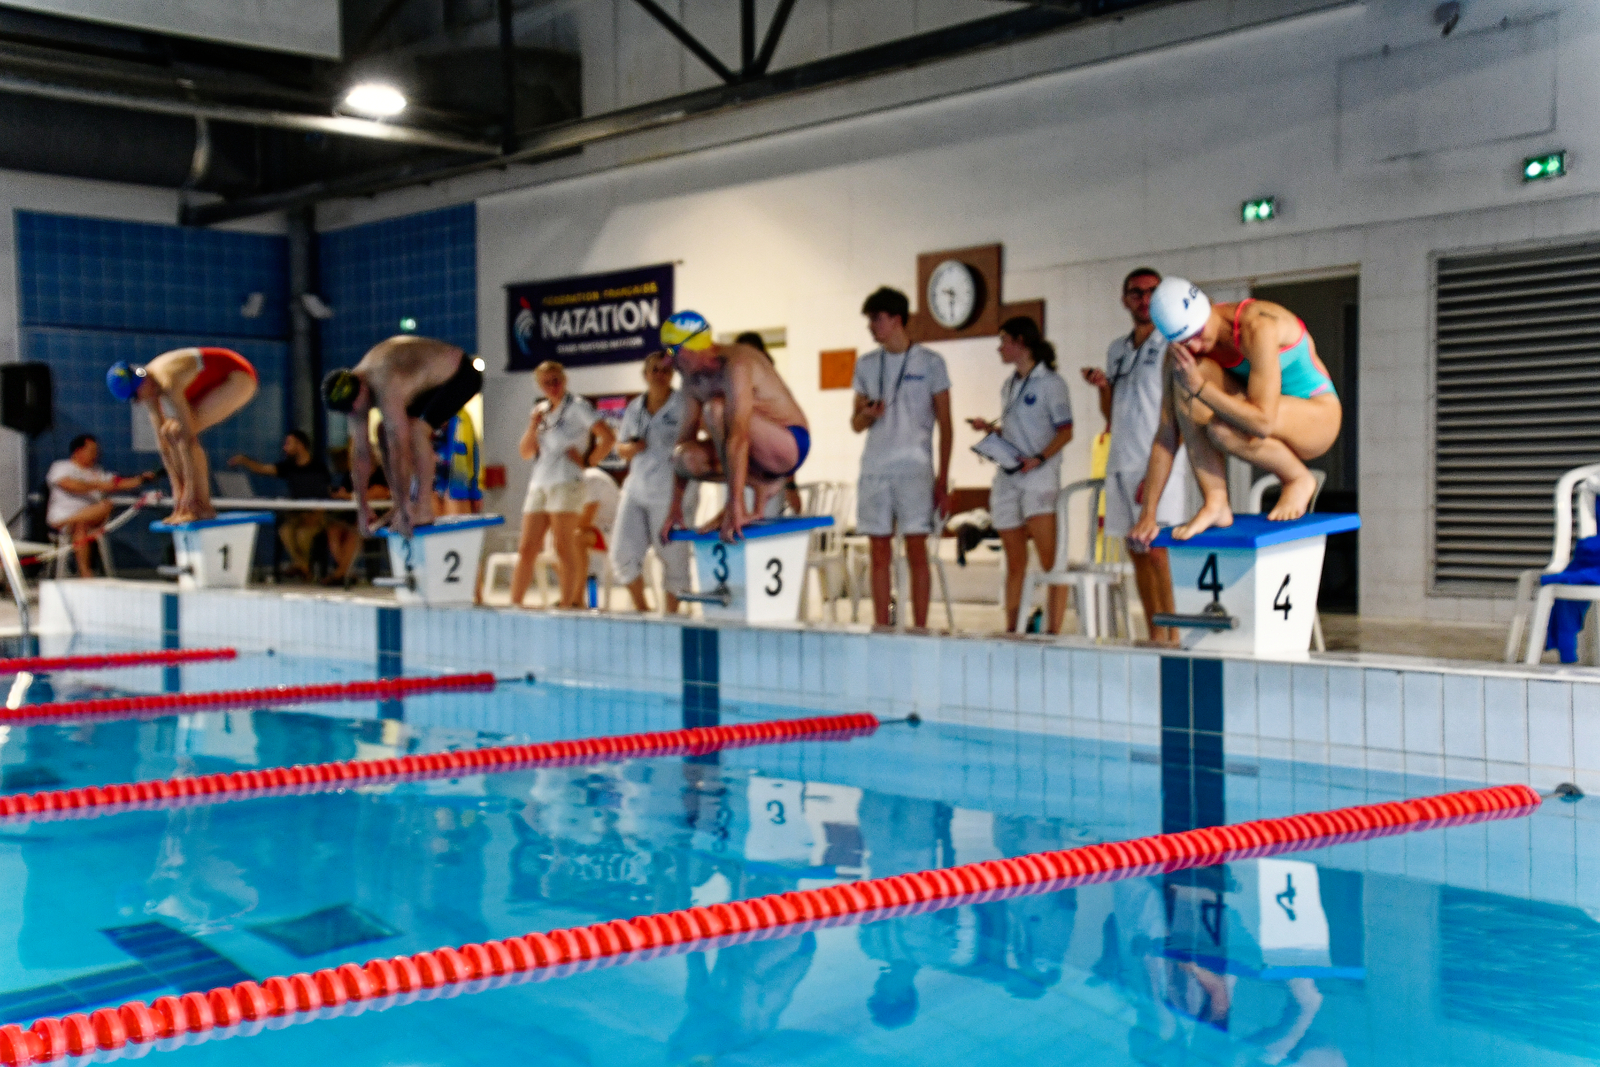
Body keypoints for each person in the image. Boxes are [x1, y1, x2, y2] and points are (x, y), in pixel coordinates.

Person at [1131, 279, 1342, 547]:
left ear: (1207, 309)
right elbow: (1166, 434)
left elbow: (1262, 423)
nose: (1194, 346)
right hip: (1263, 413)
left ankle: (1297, 478)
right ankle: (1216, 501)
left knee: (1216, 419)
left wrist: (1201, 389)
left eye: (1196, 334)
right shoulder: (1182, 353)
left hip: (1318, 417)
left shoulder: (1257, 326)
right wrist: (1147, 515)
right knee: (1185, 376)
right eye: (1183, 341)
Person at [1083, 268, 1190, 644]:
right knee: (1138, 554)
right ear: (1125, 299)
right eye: (1136, 293)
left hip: (1159, 461)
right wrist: (1102, 387)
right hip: (1122, 462)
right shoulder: (1118, 349)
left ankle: (1175, 636)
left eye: (1151, 292)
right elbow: (1112, 414)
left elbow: (1181, 412)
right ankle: (1155, 633)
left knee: (1160, 552)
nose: (1144, 300)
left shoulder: (1173, 343)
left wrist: (1157, 475)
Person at [660, 311, 810, 543]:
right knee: (683, 458)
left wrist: (734, 505)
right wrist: (674, 508)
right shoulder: (691, 381)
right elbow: (684, 440)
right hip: (751, 455)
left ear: (690, 348)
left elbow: (738, 437)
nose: (667, 362)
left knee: (716, 409)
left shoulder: (737, 364)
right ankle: (760, 483)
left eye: (671, 351)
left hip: (789, 444)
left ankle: (760, 487)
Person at [851, 286, 953, 628]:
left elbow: (946, 426)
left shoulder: (931, 363)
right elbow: (855, 424)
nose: (871, 326)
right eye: (869, 320)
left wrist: (942, 479)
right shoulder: (866, 364)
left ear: (896, 319)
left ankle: (919, 628)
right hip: (875, 469)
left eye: (876, 319)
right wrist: (868, 414)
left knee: (916, 551)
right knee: (879, 553)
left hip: (915, 471)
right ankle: (882, 626)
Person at [965, 316, 1074, 633]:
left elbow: (1065, 432)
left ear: (1021, 342)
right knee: (1015, 562)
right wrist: (992, 432)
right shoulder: (1009, 385)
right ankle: (1012, 630)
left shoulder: (1051, 383)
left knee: (1051, 562)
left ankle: (1053, 632)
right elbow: (1019, 432)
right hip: (1009, 478)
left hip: (1039, 479)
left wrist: (1039, 459)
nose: (999, 348)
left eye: (1004, 341)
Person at [320, 336, 483, 537]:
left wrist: (407, 509)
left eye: (355, 404)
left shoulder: (384, 383)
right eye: (349, 410)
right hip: (425, 383)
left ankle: (423, 507)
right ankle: (401, 506)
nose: (356, 411)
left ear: (361, 386)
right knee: (382, 430)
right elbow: (361, 453)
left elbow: (400, 449)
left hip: (460, 374)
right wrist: (362, 507)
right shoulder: (354, 396)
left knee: (416, 430)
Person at [106, 347, 258, 523]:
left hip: (238, 376)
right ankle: (199, 507)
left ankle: (199, 507)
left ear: (140, 385)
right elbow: (163, 445)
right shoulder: (146, 381)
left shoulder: (167, 380)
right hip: (213, 379)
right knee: (168, 433)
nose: (138, 402)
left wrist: (188, 494)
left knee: (178, 432)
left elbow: (187, 439)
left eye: (135, 397)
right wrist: (177, 492)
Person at [511, 361, 615, 609]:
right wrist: (533, 425)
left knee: (563, 545)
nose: (552, 386)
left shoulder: (578, 406)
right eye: (546, 383)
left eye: (556, 380)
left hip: (567, 481)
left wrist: (588, 461)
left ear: (564, 380)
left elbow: (607, 437)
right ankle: (515, 604)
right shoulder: (540, 410)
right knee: (527, 548)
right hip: (540, 481)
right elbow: (525, 452)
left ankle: (568, 603)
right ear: (539, 386)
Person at [610, 351, 696, 614]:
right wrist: (631, 448)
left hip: (672, 493)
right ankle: (643, 612)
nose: (660, 375)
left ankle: (671, 619)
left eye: (665, 370)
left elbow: (705, 437)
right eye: (654, 370)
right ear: (645, 375)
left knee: (674, 560)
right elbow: (621, 447)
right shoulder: (635, 408)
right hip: (637, 490)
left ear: (672, 375)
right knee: (622, 555)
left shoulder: (685, 405)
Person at [228, 430, 332, 580]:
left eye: (288, 443)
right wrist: (244, 460)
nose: (285, 448)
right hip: (297, 515)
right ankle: (303, 567)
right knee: (285, 531)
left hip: (317, 515)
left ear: (300, 445)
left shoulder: (319, 468)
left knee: (303, 535)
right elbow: (262, 469)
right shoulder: (288, 467)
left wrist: (316, 515)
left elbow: (325, 496)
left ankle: (301, 566)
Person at [45, 434, 153, 577]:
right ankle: (85, 572)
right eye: (92, 451)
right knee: (82, 524)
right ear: (78, 451)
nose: (95, 455)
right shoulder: (61, 467)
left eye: (97, 452)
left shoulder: (98, 472)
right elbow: (69, 485)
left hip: (88, 520)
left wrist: (141, 479)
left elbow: (118, 483)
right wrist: (98, 485)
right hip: (63, 518)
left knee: (104, 507)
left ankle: (85, 572)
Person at [735, 331, 803, 517]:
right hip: (739, 476)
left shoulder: (773, 392)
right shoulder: (730, 388)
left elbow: (787, 440)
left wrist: (790, 484)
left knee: (766, 525)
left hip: (769, 474)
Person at [325, 443, 391, 587]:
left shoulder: (381, 474)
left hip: (376, 518)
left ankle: (340, 574)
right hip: (351, 515)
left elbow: (380, 493)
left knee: (355, 532)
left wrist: (349, 496)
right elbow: (345, 493)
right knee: (333, 529)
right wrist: (343, 495)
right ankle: (346, 572)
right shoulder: (352, 475)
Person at [573, 465, 621, 607]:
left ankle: (576, 599)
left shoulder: (591, 478)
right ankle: (570, 594)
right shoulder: (573, 482)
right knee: (559, 542)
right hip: (600, 530)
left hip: (615, 534)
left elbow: (585, 520)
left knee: (575, 539)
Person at [432, 409, 482, 517]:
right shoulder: (420, 414)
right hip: (427, 487)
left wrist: (475, 492)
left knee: (457, 523)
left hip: (457, 485)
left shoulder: (463, 417)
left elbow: (472, 457)